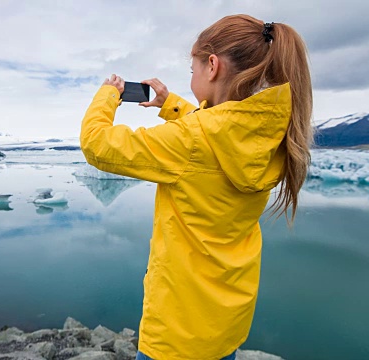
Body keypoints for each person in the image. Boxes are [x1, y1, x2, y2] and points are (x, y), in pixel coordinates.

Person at [80, 14, 312, 360]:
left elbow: (96, 144)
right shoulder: (269, 134)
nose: (191, 78)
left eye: (193, 70)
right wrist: (169, 104)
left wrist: (108, 96)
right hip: (224, 323)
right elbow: (215, 132)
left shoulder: (194, 141)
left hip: (175, 332)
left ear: (213, 66)